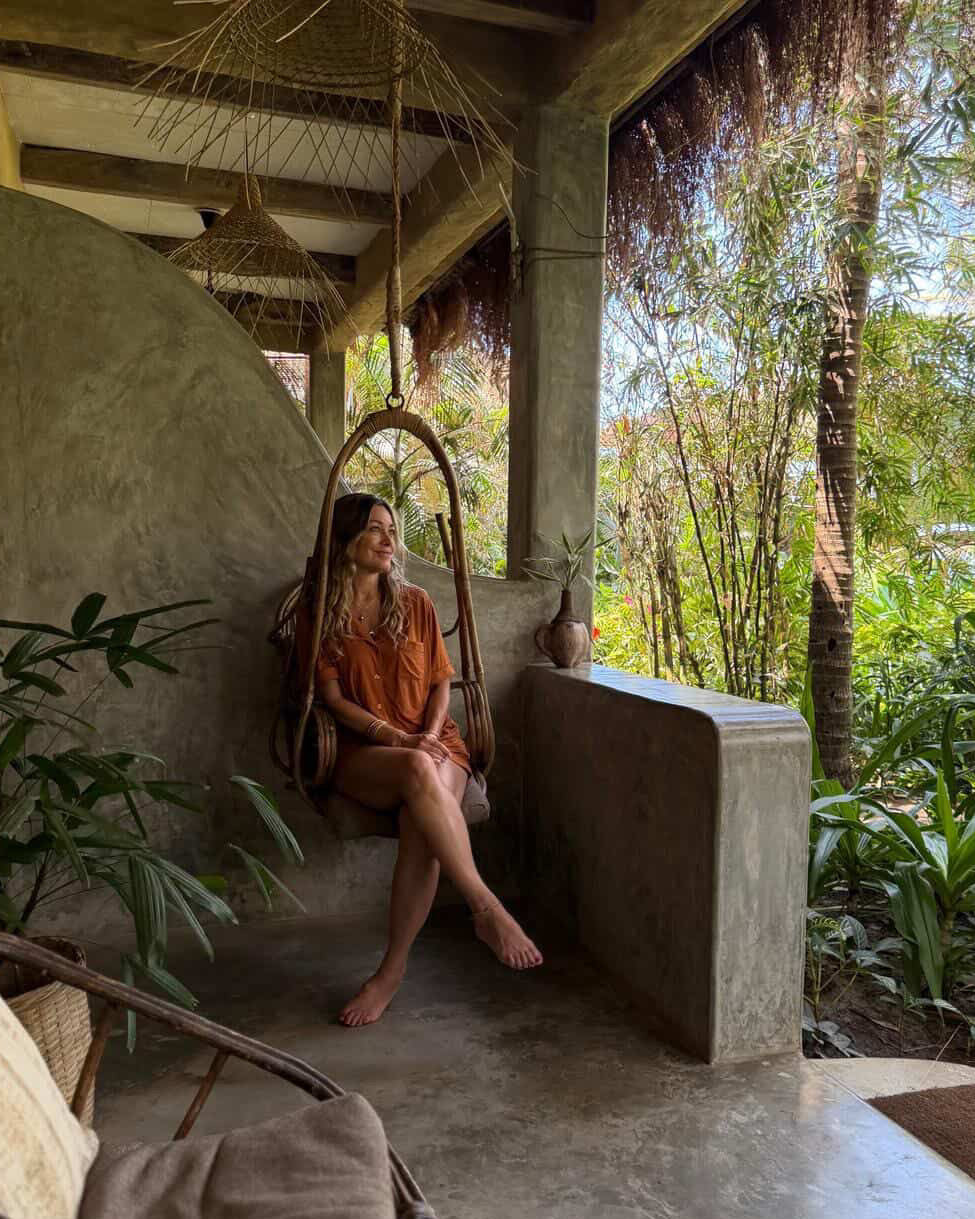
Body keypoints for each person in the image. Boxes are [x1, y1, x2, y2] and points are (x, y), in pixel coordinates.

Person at [300, 493, 543, 1028]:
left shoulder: (416, 604)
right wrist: (399, 740)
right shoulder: (318, 613)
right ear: (345, 541)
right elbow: (333, 700)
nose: (391, 540)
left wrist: (427, 736)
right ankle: (486, 906)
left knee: (421, 816)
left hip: (438, 745)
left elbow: (440, 682)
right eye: (375, 530)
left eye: (392, 530)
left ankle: (389, 973)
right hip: (366, 753)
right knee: (414, 771)